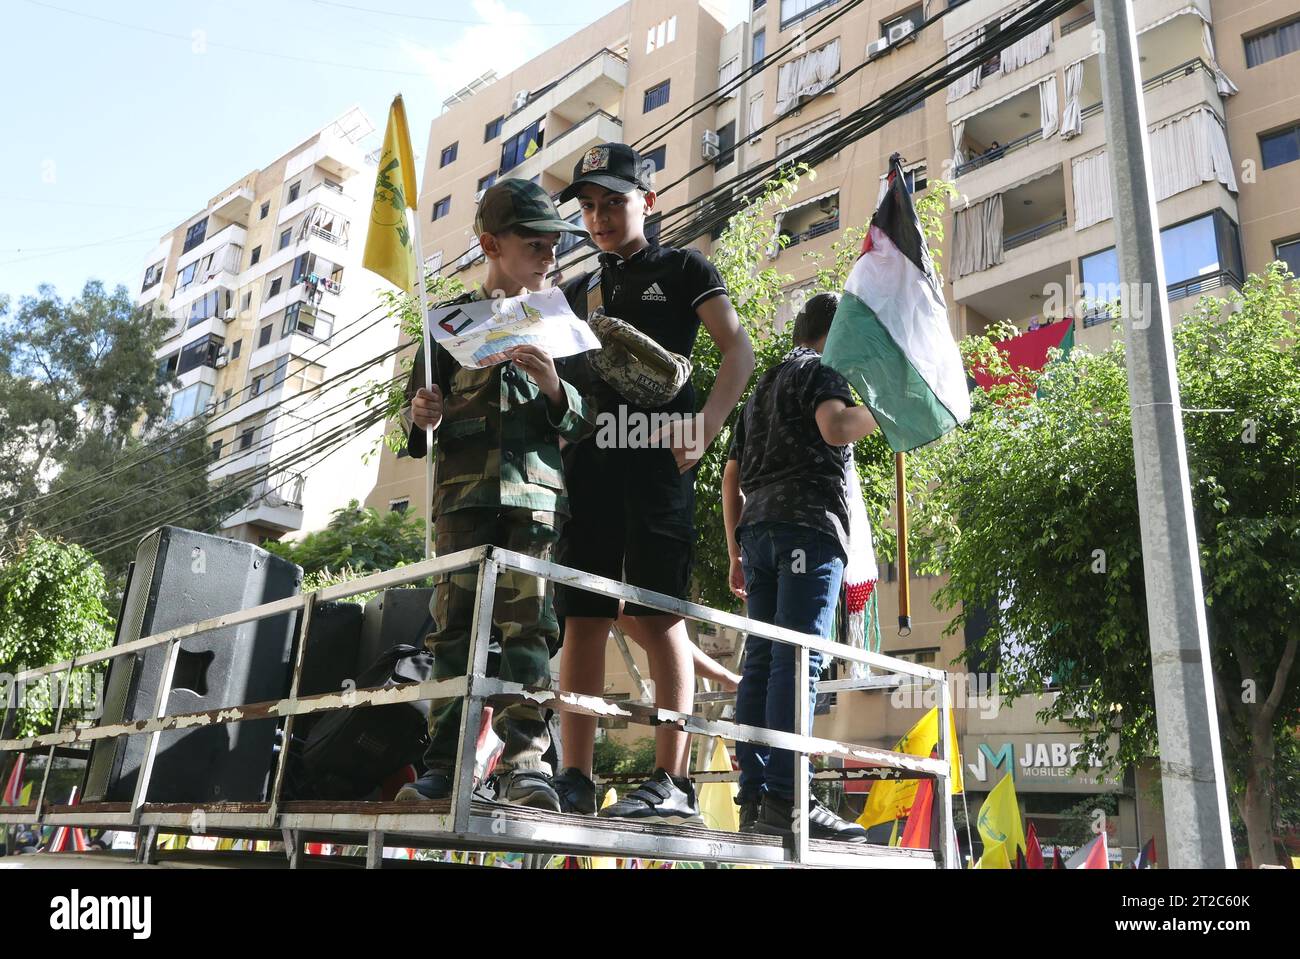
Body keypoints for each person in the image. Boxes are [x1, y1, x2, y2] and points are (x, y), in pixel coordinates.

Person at [549, 143, 755, 823]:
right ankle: (573, 775)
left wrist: (706, 424)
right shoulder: (577, 291)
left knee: (658, 615)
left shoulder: (685, 267)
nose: (601, 216)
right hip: (588, 473)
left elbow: (739, 350)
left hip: (657, 469)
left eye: (614, 200)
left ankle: (672, 781)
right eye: (589, 206)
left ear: (649, 201)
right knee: (582, 619)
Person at [395, 179, 597, 811]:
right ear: (490, 244)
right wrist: (421, 412)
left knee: (528, 633)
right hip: (461, 499)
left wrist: (554, 385)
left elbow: (583, 421)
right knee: (451, 633)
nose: (547, 259)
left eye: (552, 248)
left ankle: (526, 763)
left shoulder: (560, 321)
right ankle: (443, 767)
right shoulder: (448, 321)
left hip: (534, 500)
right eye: (534, 246)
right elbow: (414, 418)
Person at [721, 292, 877, 842]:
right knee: (798, 661)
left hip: (759, 530)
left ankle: (756, 797)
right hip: (807, 526)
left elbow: (731, 475)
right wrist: (887, 408)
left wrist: (736, 550)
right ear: (835, 334)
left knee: (762, 664)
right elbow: (836, 428)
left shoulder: (762, 387)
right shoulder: (822, 371)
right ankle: (791, 798)